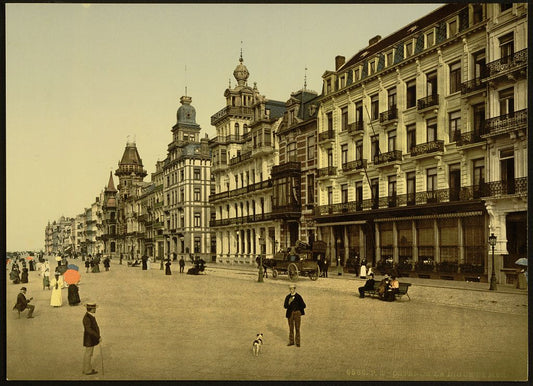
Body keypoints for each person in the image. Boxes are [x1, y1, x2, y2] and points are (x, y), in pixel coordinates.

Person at [82, 302, 101, 375]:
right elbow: (89, 330)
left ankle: (87, 368)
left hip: (90, 339)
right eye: (94, 308)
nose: (95, 310)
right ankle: (87, 370)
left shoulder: (89, 316)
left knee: (89, 353)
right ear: (91, 309)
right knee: (88, 354)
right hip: (89, 339)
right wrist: (97, 336)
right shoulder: (87, 318)